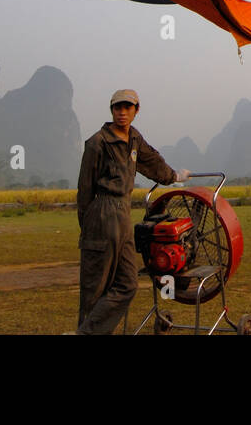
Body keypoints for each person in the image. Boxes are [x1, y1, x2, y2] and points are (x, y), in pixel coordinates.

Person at [76, 89, 191, 335]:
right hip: (102, 211)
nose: (122, 112)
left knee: (128, 283)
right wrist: (87, 227)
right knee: (95, 285)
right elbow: (85, 189)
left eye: (128, 108)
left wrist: (176, 176)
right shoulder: (98, 143)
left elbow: (153, 162)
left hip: (124, 213)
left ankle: (87, 332)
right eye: (118, 108)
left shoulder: (134, 139)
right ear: (112, 111)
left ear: (136, 110)